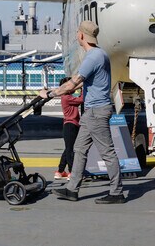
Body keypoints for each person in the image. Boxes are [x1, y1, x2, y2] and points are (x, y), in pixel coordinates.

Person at [39, 21, 125, 204]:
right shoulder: (98, 54)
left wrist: (49, 94)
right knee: (79, 149)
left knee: (107, 152)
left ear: (81, 36)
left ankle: (116, 192)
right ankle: (72, 189)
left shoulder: (93, 57)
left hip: (96, 111)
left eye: (78, 32)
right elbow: (78, 83)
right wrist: (60, 91)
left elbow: (73, 83)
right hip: (91, 111)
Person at [54, 76, 84, 180]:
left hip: (72, 124)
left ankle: (60, 171)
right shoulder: (67, 97)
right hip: (71, 125)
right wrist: (84, 89)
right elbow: (81, 99)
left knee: (68, 148)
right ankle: (71, 172)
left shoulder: (68, 96)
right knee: (70, 150)